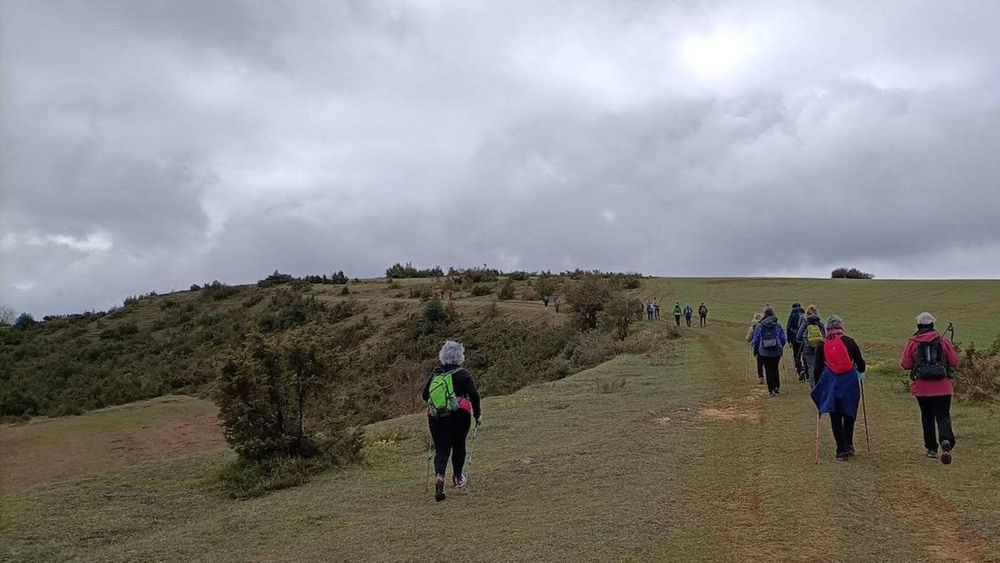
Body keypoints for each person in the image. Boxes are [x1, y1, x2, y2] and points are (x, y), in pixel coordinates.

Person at [422, 340, 482, 502]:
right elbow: (474, 394)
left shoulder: (436, 374)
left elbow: (425, 395)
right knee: (459, 444)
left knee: (441, 449)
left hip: (437, 416)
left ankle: (439, 476)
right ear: (460, 357)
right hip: (460, 414)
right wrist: (477, 414)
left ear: (442, 356)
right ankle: (457, 478)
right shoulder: (463, 374)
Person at [900, 312, 960, 463]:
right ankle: (946, 440)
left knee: (927, 416)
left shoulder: (913, 342)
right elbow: (954, 362)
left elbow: (905, 364)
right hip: (943, 387)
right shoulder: (943, 341)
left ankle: (932, 448)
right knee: (943, 415)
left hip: (922, 388)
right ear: (932, 325)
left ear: (918, 325)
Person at [811, 315, 866, 461]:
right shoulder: (850, 341)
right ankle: (849, 445)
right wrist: (860, 370)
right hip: (849, 382)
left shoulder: (822, 345)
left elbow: (817, 368)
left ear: (828, 328)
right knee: (849, 414)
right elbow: (861, 364)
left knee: (835, 416)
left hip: (831, 383)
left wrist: (818, 386)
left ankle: (841, 450)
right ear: (841, 327)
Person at [752, 307, 786, 396]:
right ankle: (777, 387)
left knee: (768, 370)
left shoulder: (760, 325)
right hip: (776, 351)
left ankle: (770, 390)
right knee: (775, 368)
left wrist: (756, 350)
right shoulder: (777, 325)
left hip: (764, 351)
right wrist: (781, 346)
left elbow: (756, 339)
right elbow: (783, 338)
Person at [796, 305, 826, 389]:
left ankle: (814, 386)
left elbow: (798, 337)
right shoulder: (820, 323)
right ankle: (821, 384)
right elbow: (824, 336)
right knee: (820, 366)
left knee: (811, 367)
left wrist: (805, 340)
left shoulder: (805, 323)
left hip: (807, 347)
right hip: (819, 347)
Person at [787, 302, 806, 381]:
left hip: (795, 339)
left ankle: (800, 370)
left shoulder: (792, 316)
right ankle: (806, 371)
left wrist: (789, 340)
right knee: (805, 355)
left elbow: (788, 328)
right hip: (804, 339)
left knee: (796, 356)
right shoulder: (805, 315)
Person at [746, 313, 765, 384]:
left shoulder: (752, 327)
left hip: (757, 348)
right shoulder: (764, 325)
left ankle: (761, 377)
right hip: (765, 346)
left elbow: (748, 339)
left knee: (759, 363)